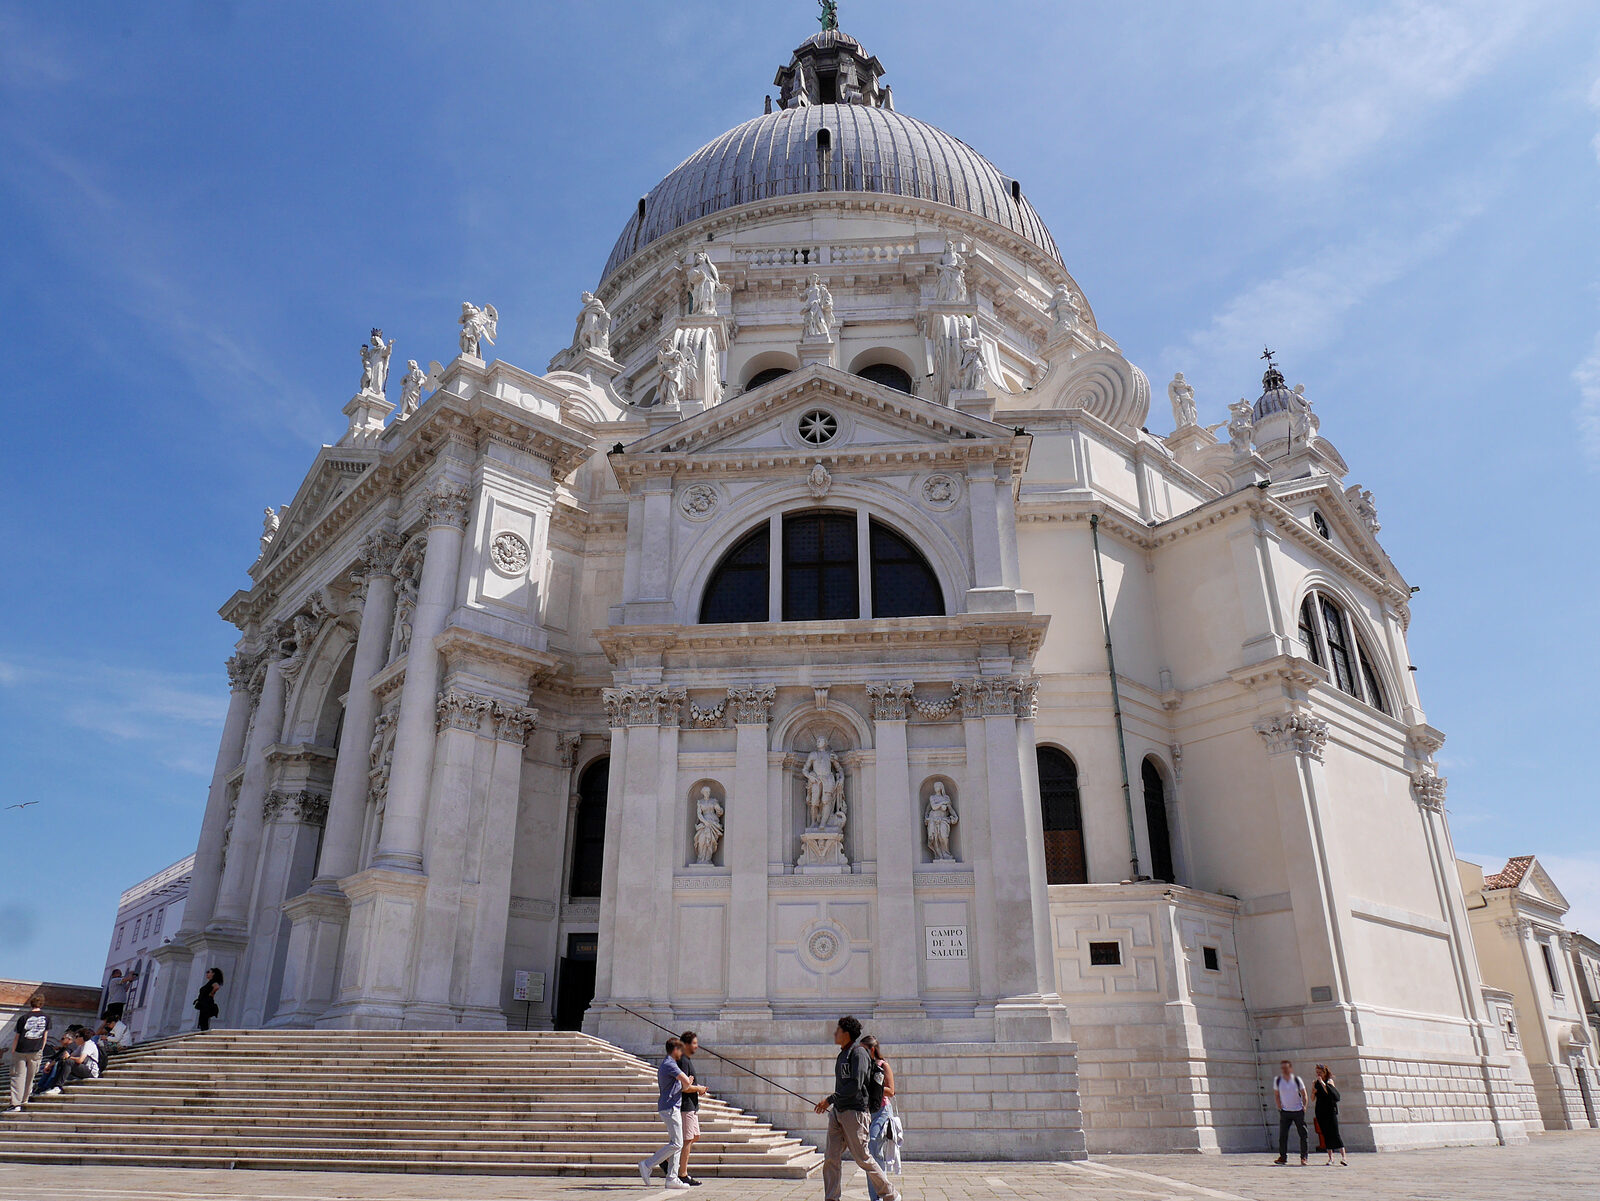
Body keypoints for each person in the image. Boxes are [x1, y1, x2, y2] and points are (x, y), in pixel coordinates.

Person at [813, 1017, 899, 1201]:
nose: (835, 1033)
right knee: (831, 1158)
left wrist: (829, 1100)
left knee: (863, 1158)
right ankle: (832, 1198)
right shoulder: (842, 1054)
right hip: (838, 1112)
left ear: (846, 1033)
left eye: (838, 1030)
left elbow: (856, 1084)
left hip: (856, 1113)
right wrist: (833, 1103)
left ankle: (890, 1194)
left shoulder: (858, 1053)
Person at [638, 1036, 700, 1190]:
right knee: (677, 1143)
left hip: (672, 1107)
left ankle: (672, 1178)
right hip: (670, 1108)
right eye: (680, 1049)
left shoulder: (668, 1064)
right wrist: (689, 1082)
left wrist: (687, 1083)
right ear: (675, 1050)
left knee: (677, 1143)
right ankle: (648, 1164)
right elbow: (686, 1082)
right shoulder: (670, 1065)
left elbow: (680, 1085)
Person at [860, 1035, 899, 1201]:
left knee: (873, 1145)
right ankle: (875, 1196)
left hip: (882, 1111)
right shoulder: (864, 1068)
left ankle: (883, 1193)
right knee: (871, 1153)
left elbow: (891, 1091)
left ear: (872, 1050)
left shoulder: (884, 1065)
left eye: (863, 1050)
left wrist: (875, 1088)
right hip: (869, 1111)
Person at [5, 993, 49, 1113]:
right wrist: (41, 1048)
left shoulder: (23, 1018)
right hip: (36, 1050)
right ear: (42, 1004)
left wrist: (13, 1050)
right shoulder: (47, 1018)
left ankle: (16, 1104)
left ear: (31, 1003)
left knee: (18, 1077)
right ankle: (25, 1100)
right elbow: (45, 1037)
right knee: (30, 1077)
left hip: (21, 1049)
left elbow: (17, 1036)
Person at [676, 1031, 710, 1187]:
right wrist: (698, 1088)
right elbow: (683, 1087)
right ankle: (682, 1174)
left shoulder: (686, 1060)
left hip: (691, 1105)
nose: (697, 1046)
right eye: (694, 1043)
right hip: (686, 1105)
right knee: (687, 1139)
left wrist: (697, 1089)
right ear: (687, 1044)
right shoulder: (683, 1060)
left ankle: (667, 1162)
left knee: (694, 1136)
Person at [1272, 1058, 1309, 1165]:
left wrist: (1304, 1106)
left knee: (1303, 1134)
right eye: (1282, 1068)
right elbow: (1276, 1095)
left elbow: (1304, 1094)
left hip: (1298, 1111)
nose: (1284, 1070)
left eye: (1286, 1068)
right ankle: (1283, 1157)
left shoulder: (1297, 1080)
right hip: (1285, 1112)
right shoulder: (1278, 1080)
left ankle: (1304, 1157)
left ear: (1290, 1068)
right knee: (1283, 1136)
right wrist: (1279, 1107)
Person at [42, 1030, 99, 1094]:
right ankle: (52, 1086)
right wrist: (64, 1057)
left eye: (77, 1036)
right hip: (83, 1068)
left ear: (82, 1038)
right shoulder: (81, 1046)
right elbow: (69, 1056)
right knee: (62, 1061)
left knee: (68, 1062)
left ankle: (58, 1087)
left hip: (90, 1071)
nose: (75, 1039)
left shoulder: (88, 1045)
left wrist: (68, 1057)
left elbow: (80, 1060)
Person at [1313, 1064, 1347, 1165]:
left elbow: (1331, 1093)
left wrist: (1322, 1083)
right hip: (1320, 1110)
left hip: (1330, 1110)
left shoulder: (1329, 1081)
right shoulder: (1315, 1083)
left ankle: (1344, 1157)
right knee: (1325, 1134)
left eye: (1320, 1072)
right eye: (1317, 1072)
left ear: (1324, 1072)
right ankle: (1331, 1158)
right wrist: (1313, 1091)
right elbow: (1312, 1098)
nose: (1318, 1074)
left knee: (1335, 1133)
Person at [193, 967, 223, 1031]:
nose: (207, 974)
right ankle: (203, 1029)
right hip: (203, 1002)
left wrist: (212, 993)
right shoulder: (209, 982)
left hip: (207, 1002)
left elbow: (217, 987)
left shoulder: (213, 982)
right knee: (203, 1018)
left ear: (213, 974)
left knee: (205, 1018)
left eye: (208, 972)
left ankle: (204, 1030)